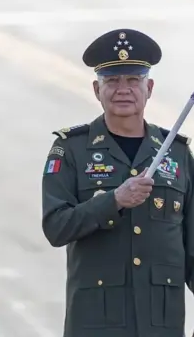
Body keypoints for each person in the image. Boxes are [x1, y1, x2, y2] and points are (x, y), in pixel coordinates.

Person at [41, 28, 194, 337]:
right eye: (112, 81)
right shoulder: (71, 149)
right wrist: (113, 201)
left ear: (149, 88)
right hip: (97, 325)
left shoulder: (176, 153)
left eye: (133, 80)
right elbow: (56, 228)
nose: (123, 89)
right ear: (97, 90)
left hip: (161, 326)